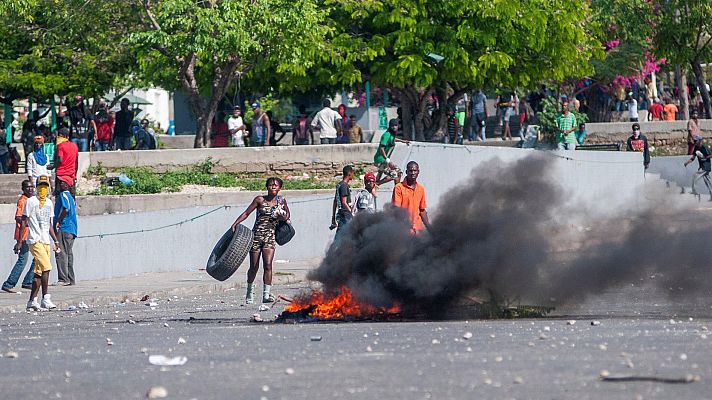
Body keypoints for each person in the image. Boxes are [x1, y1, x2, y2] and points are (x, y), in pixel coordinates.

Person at [230, 177, 290, 304]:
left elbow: (287, 216)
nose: (273, 187)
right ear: (266, 187)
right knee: (254, 266)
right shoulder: (259, 200)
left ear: (280, 188)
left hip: (270, 236)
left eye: (276, 185)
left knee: (268, 265)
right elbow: (246, 213)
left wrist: (282, 216)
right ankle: (249, 293)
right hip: (256, 236)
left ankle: (266, 295)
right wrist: (235, 223)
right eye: (271, 185)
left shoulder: (281, 201)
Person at [16, 176, 60, 311]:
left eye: (45, 186)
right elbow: (23, 221)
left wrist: (56, 240)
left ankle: (32, 301)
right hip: (34, 240)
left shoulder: (48, 203)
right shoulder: (31, 201)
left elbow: (49, 224)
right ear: (36, 187)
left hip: (46, 240)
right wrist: (19, 241)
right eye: (40, 185)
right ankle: (45, 298)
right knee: (47, 267)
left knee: (39, 273)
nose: (43, 189)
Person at [2, 180, 35, 293]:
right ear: (23, 189)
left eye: (32, 187)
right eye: (28, 187)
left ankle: (27, 281)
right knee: (23, 260)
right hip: (24, 235)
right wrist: (30, 221)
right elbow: (18, 217)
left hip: (31, 234)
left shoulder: (31, 200)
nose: (30, 189)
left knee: (38, 258)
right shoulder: (23, 201)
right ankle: (9, 283)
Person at [392, 161, 431, 234]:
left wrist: (429, 227)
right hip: (404, 230)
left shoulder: (421, 189)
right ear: (406, 172)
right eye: (410, 171)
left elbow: (422, 210)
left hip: (418, 230)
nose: (413, 173)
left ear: (418, 172)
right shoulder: (398, 188)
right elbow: (396, 210)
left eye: (415, 171)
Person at [54, 179, 77, 285]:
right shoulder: (71, 198)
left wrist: (58, 220)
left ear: (68, 186)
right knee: (68, 253)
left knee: (61, 253)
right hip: (71, 229)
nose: (61, 184)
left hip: (64, 228)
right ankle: (71, 278)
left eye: (63, 183)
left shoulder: (63, 195)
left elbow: (66, 209)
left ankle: (63, 278)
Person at [374, 119, 410, 185]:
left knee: (398, 172)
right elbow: (382, 148)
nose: (394, 127)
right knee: (394, 174)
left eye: (395, 125)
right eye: (392, 126)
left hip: (384, 160)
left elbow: (393, 139)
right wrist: (387, 160)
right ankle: (377, 184)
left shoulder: (391, 134)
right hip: (380, 160)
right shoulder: (386, 135)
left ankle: (397, 189)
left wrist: (403, 141)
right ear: (390, 126)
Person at [52, 128, 79, 197]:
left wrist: (52, 166)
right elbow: (76, 163)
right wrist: (75, 175)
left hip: (61, 176)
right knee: (71, 198)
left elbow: (60, 160)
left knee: (59, 197)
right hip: (71, 176)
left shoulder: (60, 146)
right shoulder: (74, 146)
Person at [329, 165, 354, 240]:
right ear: (349, 173)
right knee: (340, 239)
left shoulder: (339, 185)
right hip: (345, 216)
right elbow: (344, 202)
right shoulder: (344, 186)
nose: (353, 175)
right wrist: (352, 212)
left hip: (341, 215)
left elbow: (335, 202)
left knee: (341, 237)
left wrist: (333, 217)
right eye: (352, 173)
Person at [684, 135, 712, 200]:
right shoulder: (696, 147)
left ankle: (695, 192)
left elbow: (710, 155)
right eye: (694, 140)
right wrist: (687, 162)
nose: (694, 142)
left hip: (705, 167)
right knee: (708, 182)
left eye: (696, 140)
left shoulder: (704, 147)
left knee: (695, 176)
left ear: (700, 141)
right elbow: (693, 157)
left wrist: (705, 157)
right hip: (702, 167)